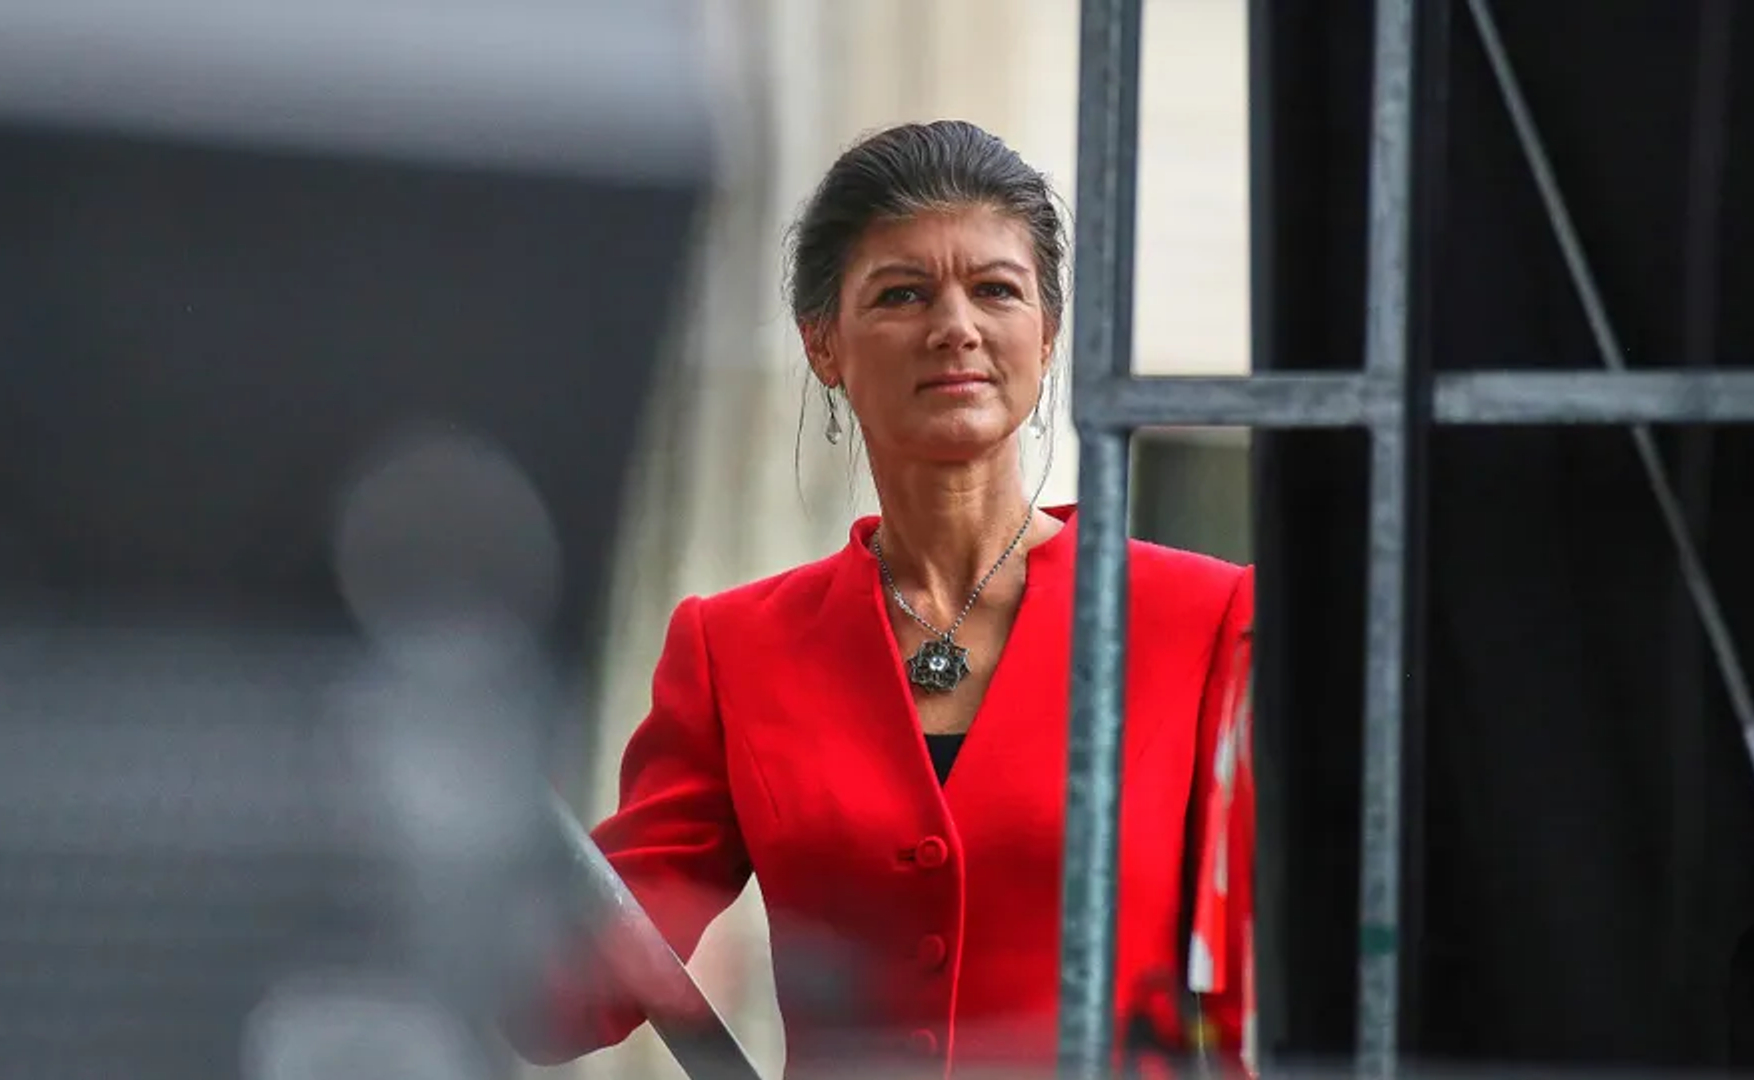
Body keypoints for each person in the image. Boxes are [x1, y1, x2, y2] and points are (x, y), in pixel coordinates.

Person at [509, 120, 1255, 1078]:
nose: (957, 327)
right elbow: (564, 1002)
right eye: (903, 293)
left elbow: (1265, 985)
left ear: (1047, 334)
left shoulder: (1202, 619)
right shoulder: (734, 649)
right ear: (823, 343)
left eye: (997, 290)